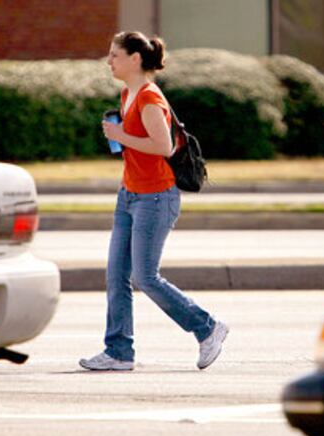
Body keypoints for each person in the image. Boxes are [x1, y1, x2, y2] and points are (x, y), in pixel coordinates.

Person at [79, 31, 228, 371]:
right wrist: (123, 141)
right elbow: (139, 145)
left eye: (114, 55)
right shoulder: (127, 93)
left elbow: (163, 147)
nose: (109, 61)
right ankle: (118, 351)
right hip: (129, 193)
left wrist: (120, 136)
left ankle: (207, 328)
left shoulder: (148, 98)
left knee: (145, 277)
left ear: (135, 59)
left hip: (156, 197)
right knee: (117, 275)